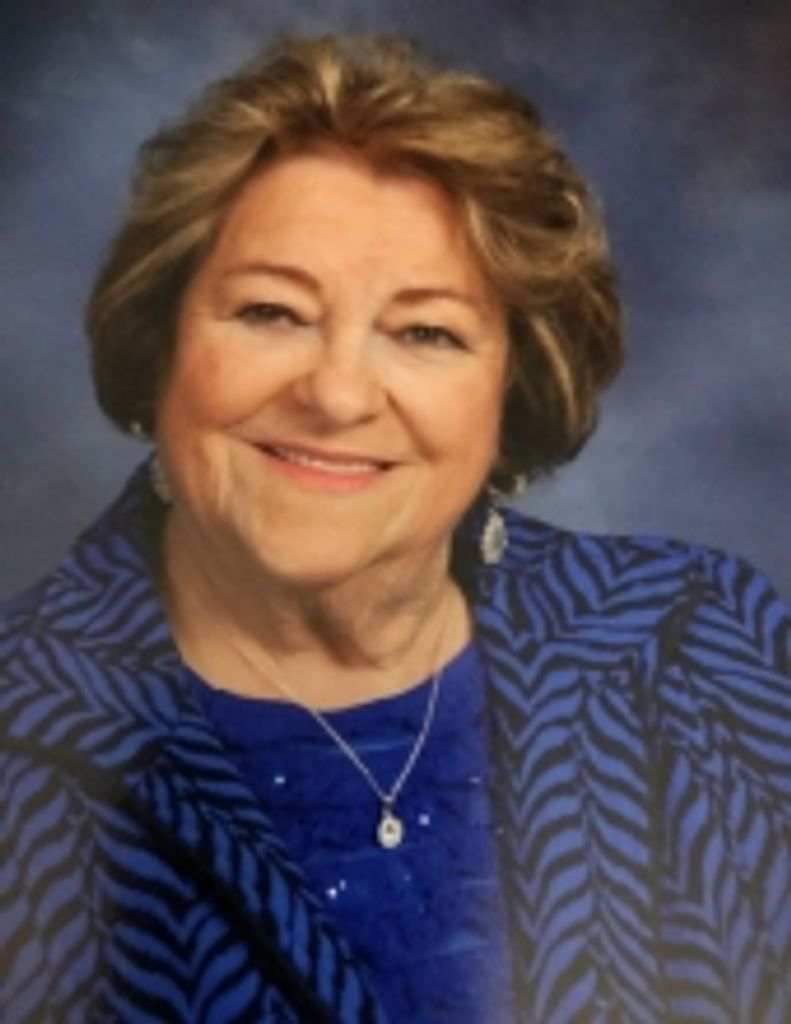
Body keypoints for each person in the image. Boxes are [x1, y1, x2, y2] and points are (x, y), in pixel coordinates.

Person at [2, 32, 789, 1024]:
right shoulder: (22, 729)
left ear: (512, 387)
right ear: (161, 339)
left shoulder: (698, 640)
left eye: (424, 332)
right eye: (272, 312)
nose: (335, 395)